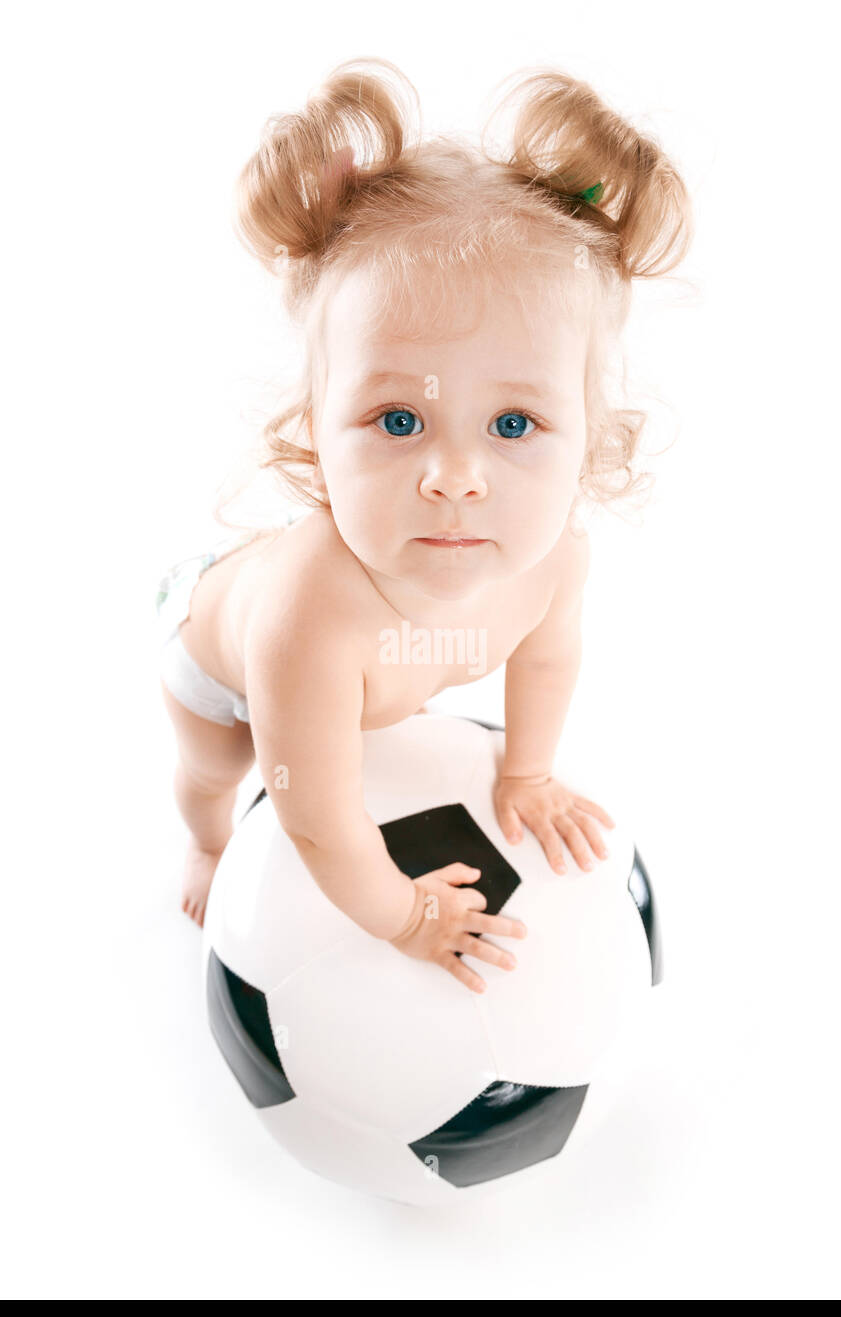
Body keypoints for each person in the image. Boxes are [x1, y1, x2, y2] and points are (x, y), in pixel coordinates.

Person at [157, 58, 692, 992]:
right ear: (315, 427)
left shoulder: (554, 560)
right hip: (216, 656)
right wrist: (405, 916)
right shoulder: (307, 617)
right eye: (398, 421)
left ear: (588, 437)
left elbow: (546, 658)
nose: (454, 479)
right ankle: (201, 847)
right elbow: (316, 816)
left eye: (514, 425)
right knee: (216, 769)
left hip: (362, 677)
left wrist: (526, 774)